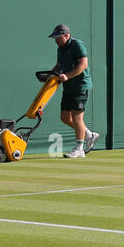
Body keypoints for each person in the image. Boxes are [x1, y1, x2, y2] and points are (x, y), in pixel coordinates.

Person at [48, 23, 99, 158]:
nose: (56, 40)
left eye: (58, 38)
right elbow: (59, 66)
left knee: (77, 117)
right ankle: (89, 135)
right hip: (68, 87)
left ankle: (79, 149)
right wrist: (49, 74)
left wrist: (67, 75)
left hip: (81, 86)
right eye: (55, 38)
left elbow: (83, 64)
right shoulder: (60, 49)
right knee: (65, 117)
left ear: (66, 35)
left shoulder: (78, 45)